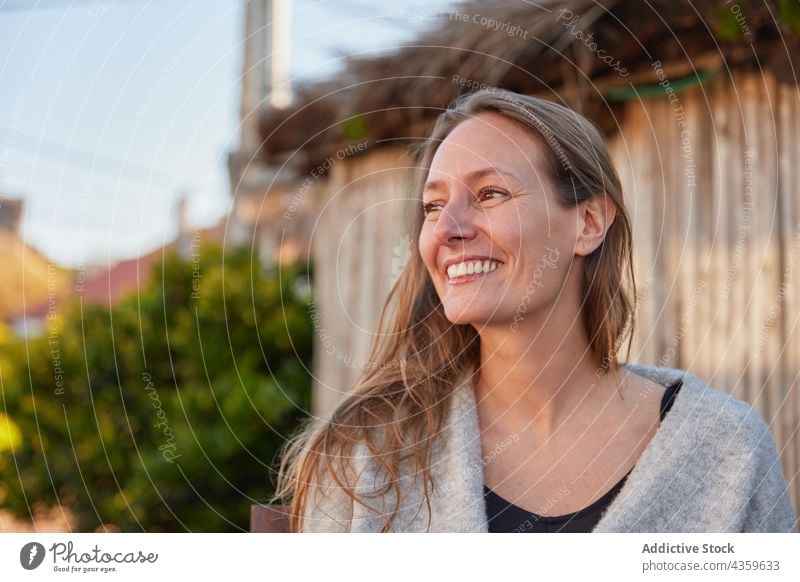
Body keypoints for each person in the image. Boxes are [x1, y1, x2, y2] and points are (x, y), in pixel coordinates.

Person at [273, 87, 796, 533]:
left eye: (490, 193)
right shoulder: (367, 460)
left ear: (589, 222)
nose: (449, 228)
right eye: (433, 206)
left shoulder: (727, 453)